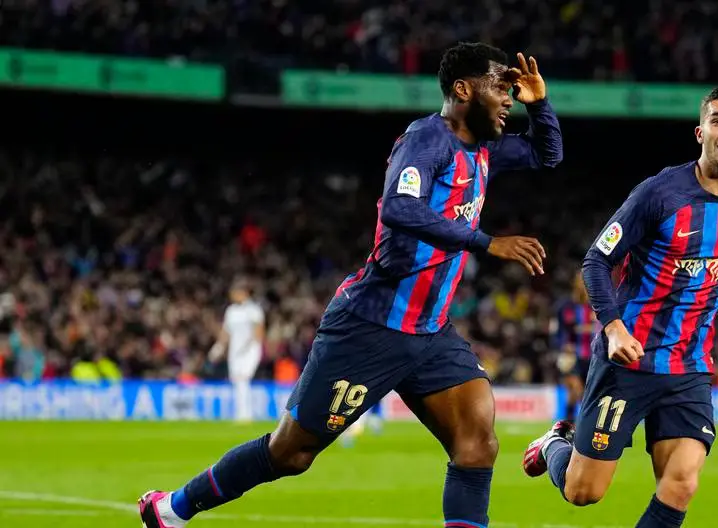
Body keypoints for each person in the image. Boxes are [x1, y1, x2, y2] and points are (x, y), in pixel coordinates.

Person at [138, 42, 562, 528]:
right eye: (499, 87)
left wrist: (540, 104)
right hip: (371, 326)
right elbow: (401, 209)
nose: (507, 98)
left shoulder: (485, 148)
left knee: (478, 444)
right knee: (290, 454)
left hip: (430, 333)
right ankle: (172, 509)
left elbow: (548, 155)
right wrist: (486, 242)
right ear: (464, 90)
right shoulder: (427, 141)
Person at [522, 84, 718, 528]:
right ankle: (553, 444)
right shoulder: (659, 193)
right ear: (701, 132)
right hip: (630, 362)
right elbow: (597, 260)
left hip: (689, 368)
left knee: (682, 482)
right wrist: (614, 327)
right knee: (585, 492)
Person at [209, 280, 265, 423]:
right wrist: (218, 347)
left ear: (244, 293)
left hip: (250, 349)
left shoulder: (253, 310)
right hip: (235, 351)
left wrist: (249, 348)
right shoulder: (231, 311)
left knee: (243, 378)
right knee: (237, 381)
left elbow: (258, 331)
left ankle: (245, 414)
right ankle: (242, 413)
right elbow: (226, 332)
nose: (233, 296)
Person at [553, 271, 599, 421]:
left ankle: (572, 423)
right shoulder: (565, 307)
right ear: (575, 283)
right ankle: (569, 424)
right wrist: (563, 344)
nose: (583, 284)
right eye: (580, 281)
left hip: (593, 357)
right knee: (575, 389)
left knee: (584, 395)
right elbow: (556, 332)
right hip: (571, 357)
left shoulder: (598, 304)